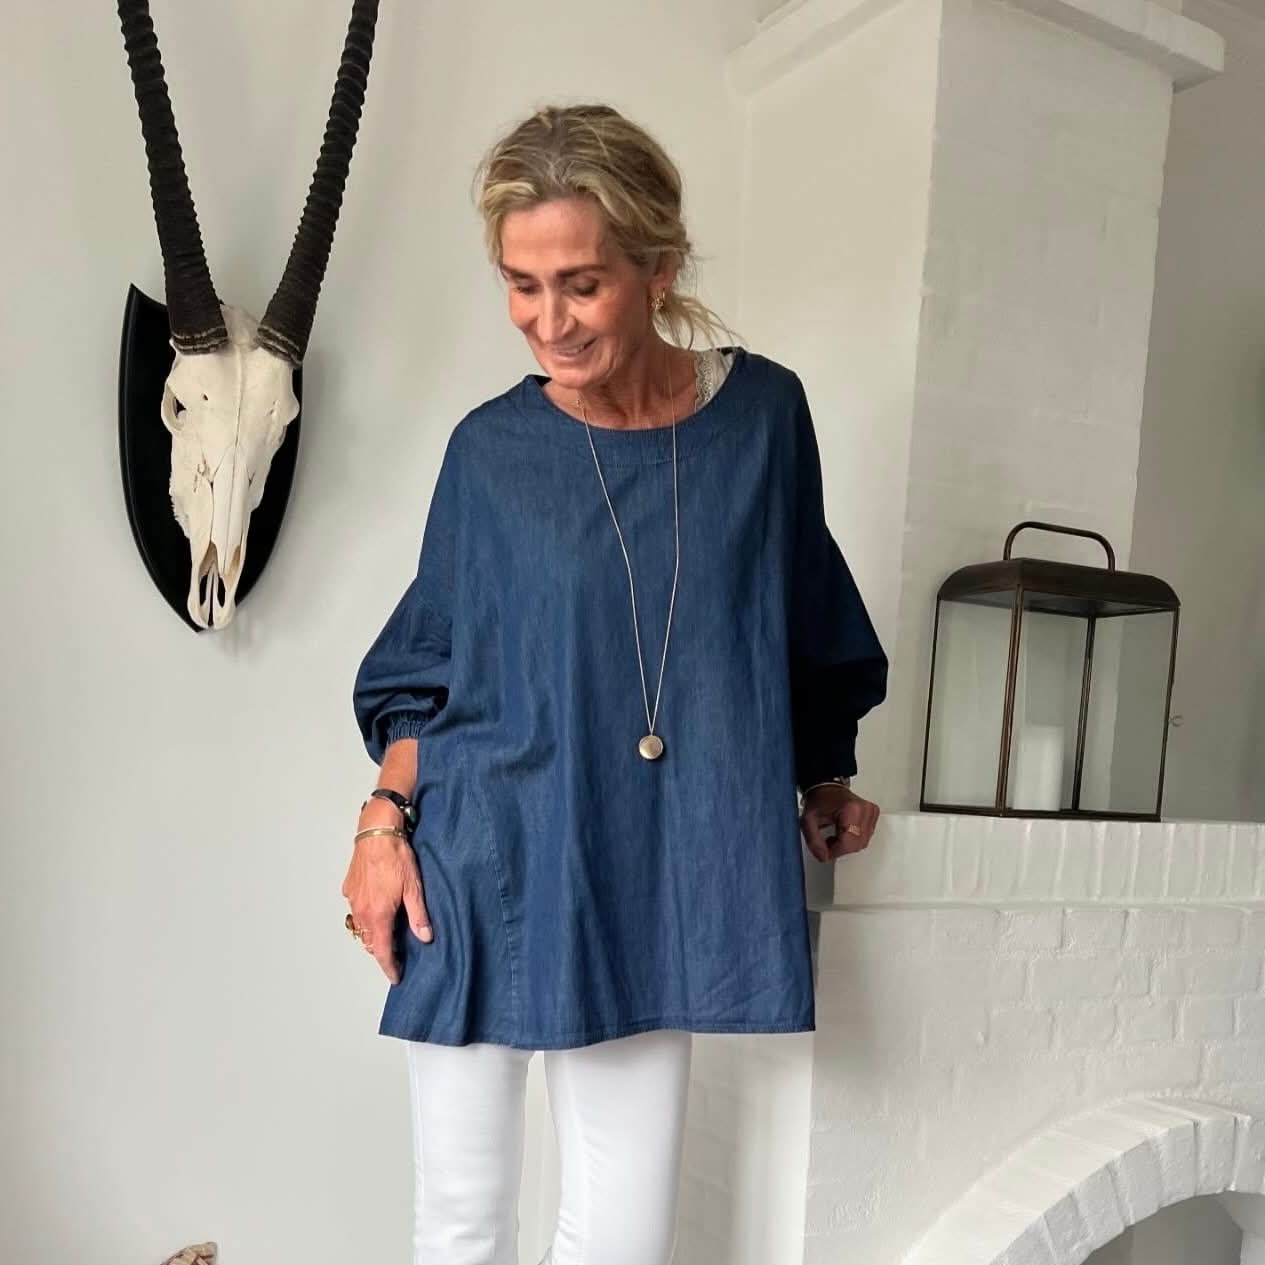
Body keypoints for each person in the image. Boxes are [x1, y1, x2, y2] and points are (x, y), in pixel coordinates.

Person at [343, 103, 888, 1265]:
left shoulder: (763, 421)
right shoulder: (489, 452)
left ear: (658, 267)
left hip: (643, 864)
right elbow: (431, 668)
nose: (548, 321)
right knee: (461, 1227)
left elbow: (797, 612)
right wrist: (379, 827)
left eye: (581, 284)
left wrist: (822, 772)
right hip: (476, 862)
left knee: (621, 1241)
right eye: (521, 285)